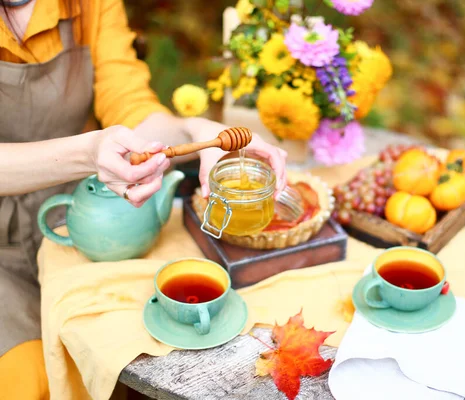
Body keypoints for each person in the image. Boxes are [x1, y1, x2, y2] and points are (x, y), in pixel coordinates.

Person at [0, 0, 287, 398]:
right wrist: (86, 154)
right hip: (3, 256)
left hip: (85, 224)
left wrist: (194, 132)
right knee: (31, 381)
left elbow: (131, 104)